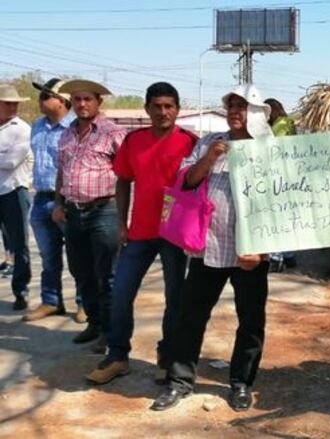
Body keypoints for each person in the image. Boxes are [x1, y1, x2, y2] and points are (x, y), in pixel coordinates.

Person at [151, 84, 271, 412]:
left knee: (250, 319)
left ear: (257, 113)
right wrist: (211, 157)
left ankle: (242, 382)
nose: (235, 111)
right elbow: (186, 181)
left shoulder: (272, 148)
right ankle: (180, 381)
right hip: (209, 247)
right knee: (191, 315)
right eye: (231, 105)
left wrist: (263, 251)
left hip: (250, 252)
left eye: (243, 106)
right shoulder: (209, 142)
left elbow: (282, 204)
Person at [85, 82, 197, 385]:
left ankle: (167, 355)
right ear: (147, 108)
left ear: (177, 109)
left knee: (175, 297)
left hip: (175, 235)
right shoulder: (133, 141)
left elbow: (201, 186)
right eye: (157, 106)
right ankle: (118, 355)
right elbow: (123, 180)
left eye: (169, 106)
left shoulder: (191, 142)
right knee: (121, 293)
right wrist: (122, 223)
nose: (163, 112)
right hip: (140, 232)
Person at [54, 79, 125, 347]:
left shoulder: (113, 133)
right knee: (81, 272)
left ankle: (110, 333)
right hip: (73, 213)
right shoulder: (67, 133)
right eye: (77, 99)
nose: (81, 104)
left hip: (104, 211)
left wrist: (123, 216)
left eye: (87, 99)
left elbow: (126, 176)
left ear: (99, 102)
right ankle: (95, 324)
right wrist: (59, 204)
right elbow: (63, 171)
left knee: (107, 275)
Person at [23, 78, 81, 322]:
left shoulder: (76, 128)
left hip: (68, 200)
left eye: (46, 96)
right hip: (40, 199)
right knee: (48, 256)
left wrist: (62, 202)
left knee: (79, 255)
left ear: (62, 101)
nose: (40, 100)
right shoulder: (37, 126)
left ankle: (84, 303)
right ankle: (51, 302)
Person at [0, 84, 32, 311]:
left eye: (15, 103)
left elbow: (11, 162)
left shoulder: (21, 129)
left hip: (13, 191)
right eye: (7, 103)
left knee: (19, 243)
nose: (13, 107)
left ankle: (20, 291)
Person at [264, 97, 297, 272]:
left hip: (279, 176)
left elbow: (273, 149)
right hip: (290, 176)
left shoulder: (280, 125)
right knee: (287, 216)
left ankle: (276, 258)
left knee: (276, 217)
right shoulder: (289, 123)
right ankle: (289, 256)